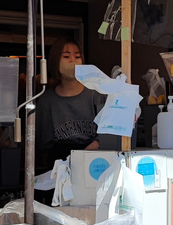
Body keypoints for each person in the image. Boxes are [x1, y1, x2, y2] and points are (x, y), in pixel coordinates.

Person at [34, 38, 117, 175]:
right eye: (66, 56)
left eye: (77, 56)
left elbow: (110, 132)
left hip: (96, 164)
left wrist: (95, 145)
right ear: (55, 62)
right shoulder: (46, 101)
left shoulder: (97, 94)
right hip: (59, 169)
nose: (73, 60)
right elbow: (42, 146)